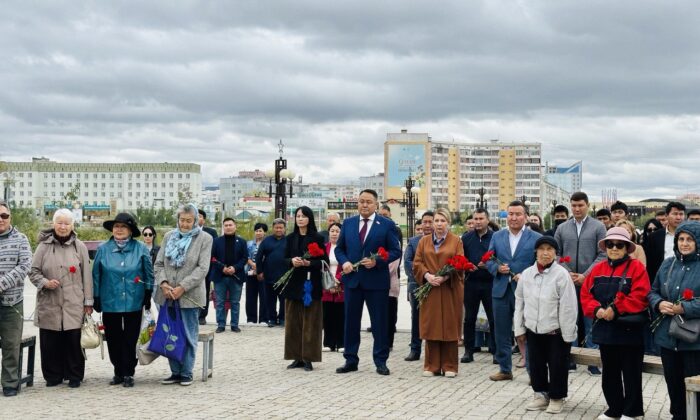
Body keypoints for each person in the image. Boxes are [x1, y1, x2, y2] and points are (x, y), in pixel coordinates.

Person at [580, 227, 650, 420]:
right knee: (609, 373)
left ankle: (632, 410)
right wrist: (597, 310)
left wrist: (616, 309)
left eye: (619, 245)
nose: (614, 248)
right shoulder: (598, 269)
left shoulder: (637, 268)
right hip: (606, 329)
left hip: (629, 331)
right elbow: (586, 295)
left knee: (631, 373)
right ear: (605, 247)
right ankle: (614, 408)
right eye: (610, 244)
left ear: (627, 247)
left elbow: (641, 296)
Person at [335, 189, 401, 376]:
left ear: (376, 204)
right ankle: (350, 359)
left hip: (377, 282)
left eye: (368, 202)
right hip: (353, 282)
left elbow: (396, 251)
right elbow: (339, 249)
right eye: (361, 201)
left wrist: (377, 261)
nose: (364, 205)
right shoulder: (348, 224)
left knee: (379, 323)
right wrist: (345, 262)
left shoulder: (386, 225)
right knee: (351, 322)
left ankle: (381, 361)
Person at [30, 209, 93, 388]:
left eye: (67, 223)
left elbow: (86, 276)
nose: (63, 227)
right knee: (50, 341)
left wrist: (88, 303)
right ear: (53, 224)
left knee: (73, 340)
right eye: (60, 223)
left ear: (72, 226)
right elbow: (33, 272)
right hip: (50, 301)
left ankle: (74, 375)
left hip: (73, 301)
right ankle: (53, 375)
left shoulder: (79, 246)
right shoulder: (43, 246)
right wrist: (45, 282)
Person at [514, 236, 577, 414]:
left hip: (556, 330)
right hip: (533, 328)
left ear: (556, 253)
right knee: (536, 364)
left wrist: (568, 334)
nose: (545, 253)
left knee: (557, 364)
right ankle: (540, 394)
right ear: (536, 252)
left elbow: (569, 306)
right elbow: (520, 302)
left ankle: (557, 397)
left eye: (550, 249)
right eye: (542, 249)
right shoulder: (527, 274)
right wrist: (519, 328)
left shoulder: (562, 275)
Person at [92, 212, 154, 388]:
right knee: (113, 337)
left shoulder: (140, 248)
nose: (119, 230)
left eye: (123, 227)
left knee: (130, 337)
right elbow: (96, 274)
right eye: (116, 226)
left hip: (134, 299)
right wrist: (96, 296)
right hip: (110, 300)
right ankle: (118, 370)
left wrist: (148, 293)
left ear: (130, 230)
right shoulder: (103, 249)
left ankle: (128, 372)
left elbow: (148, 273)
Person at [154, 203, 213, 386]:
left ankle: (186, 372)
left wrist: (182, 287)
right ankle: (175, 372)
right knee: (169, 333)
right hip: (166, 295)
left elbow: (202, 268)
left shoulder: (204, 238)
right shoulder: (169, 236)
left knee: (188, 334)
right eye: (182, 220)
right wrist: (163, 283)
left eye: (189, 221)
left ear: (195, 221)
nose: (185, 224)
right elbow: (159, 264)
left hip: (190, 295)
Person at [649, 221, 700, 420]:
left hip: (694, 342)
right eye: (681, 239)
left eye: (690, 239)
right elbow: (652, 291)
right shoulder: (667, 264)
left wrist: (685, 307)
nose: (684, 243)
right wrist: (659, 303)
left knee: (694, 388)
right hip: (668, 338)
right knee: (674, 386)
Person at [486, 200, 541, 381]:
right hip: (501, 290)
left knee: (529, 331)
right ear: (506, 216)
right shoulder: (497, 236)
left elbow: (540, 263)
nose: (514, 218)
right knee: (501, 331)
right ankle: (505, 369)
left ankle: (534, 373)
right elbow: (488, 259)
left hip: (526, 292)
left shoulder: (535, 238)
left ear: (525, 217)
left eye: (518, 214)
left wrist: (526, 276)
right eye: (511, 214)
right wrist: (496, 268)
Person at [554, 191, 607, 375]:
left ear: (587, 205)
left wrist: (586, 275)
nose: (577, 209)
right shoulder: (562, 228)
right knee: (570, 318)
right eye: (574, 205)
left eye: (580, 205)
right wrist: (568, 273)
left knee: (590, 319)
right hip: (568, 282)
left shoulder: (598, 227)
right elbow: (556, 253)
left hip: (591, 282)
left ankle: (593, 360)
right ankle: (571, 359)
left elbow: (603, 254)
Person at [413, 208, 465, 377]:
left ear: (448, 223)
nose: (439, 224)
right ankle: (431, 365)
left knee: (449, 325)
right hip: (430, 289)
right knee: (432, 325)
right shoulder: (424, 241)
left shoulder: (456, 241)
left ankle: (450, 366)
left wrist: (444, 277)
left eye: (443, 221)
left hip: (449, 288)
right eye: (436, 221)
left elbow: (459, 262)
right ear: (432, 223)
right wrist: (427, 276)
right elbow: (417, 263)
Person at [281, 206, 327, 372]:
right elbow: (283, 258)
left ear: (310, 218)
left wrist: (309, 263)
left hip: (310, 284)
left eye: (303, 216)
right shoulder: (290, 238)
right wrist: (291, 261)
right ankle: (296, 357)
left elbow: (324, 261)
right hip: (293, 284)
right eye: (297, 216)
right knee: (293, 323)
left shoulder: (317, 238)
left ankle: (309, 358)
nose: (300, 219)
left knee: (310, 323)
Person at [0, 201, 32, 397]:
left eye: (4, 215)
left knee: (11, 345)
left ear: (10, 218)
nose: (1, 219)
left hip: (11, 302)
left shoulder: (21, 239)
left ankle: (10, 383)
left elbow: (25, 266)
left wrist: (1, 284)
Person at [461, 208, 496, 363]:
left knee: (493, 318)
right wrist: (468, 265)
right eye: (475, 219)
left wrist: (489, 265)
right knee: (469, 319)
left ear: (487, 220)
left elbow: (500, 257)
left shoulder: (496, 237)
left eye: (481, 218)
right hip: (472, 283)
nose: (478, 221)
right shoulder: (466, 238)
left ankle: (496, 351)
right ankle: (468, 351)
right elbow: (461, 258)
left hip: (490, 283)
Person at [403, 211, 434, 362]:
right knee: (417, 319)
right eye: (425, 222)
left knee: (434, 319)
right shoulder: (413, 241)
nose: (427, 225)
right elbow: (408, 263)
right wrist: (425, 276)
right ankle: (415, 350)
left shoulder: (440, 241)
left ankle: (434, 350)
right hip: (417, 285)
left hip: (437, 285)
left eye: (430, 222)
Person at [210, 218, 248, 333]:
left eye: (230, 225)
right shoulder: (216, 241)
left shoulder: (242, 242)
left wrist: (234, 268)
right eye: (225, 225)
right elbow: (212, 258)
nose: (228, 227)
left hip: (236, 276)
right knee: (220, 302)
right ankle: (221, 324)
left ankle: (234, 325)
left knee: (235, 302)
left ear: (235, 226)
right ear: (223, 227)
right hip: (220, 276)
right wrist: (223, 268)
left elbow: (245, 258)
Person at [644, 201, 686, 291]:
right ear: (667, 216)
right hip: (660, 282)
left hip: (685, 280)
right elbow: (650, 264)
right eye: (675, 214)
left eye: (681, 214)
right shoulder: (654, 237)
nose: (678, 217)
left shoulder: (691, 236)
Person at [256, 218, 287, 327]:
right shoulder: (266, 241)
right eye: (276, 227)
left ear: (284, 229)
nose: (278, 230)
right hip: (269, 275)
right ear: (273, 228)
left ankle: (283, 318)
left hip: (285, 276)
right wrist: (259, 271)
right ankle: (272, 319)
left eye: (281, 228)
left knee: (284, 300)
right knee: (270, 299)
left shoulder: (289, 241)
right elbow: (259, 257)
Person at [322, 222, 344, 352]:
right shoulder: (324, 248)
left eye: (337, 231)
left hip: (342, 286)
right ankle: (328, 343)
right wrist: (330, 282)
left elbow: (349, 266)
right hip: (327, 285)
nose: (334, 233)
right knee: (327, 315)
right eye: (332, 231)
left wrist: (338, 281)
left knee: (341, 315)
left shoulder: (345, 248)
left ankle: (341, 343)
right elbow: (322, 267)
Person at [197, 209, 218, 325]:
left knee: (204, 291)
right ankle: (193, 313)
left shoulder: (211, 232)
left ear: (204, 220)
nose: (197, 218)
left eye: (199, 216)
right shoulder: (187, 232)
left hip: (206, 267)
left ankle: (202, 315)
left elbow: (215, 250)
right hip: (191, 268)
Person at [245, 223, 267, 324]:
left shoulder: (267, 243)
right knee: (250, 297)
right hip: (250, 273)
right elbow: (246, 257)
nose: (258, 233)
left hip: (263, 274)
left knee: (264, 296)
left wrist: (260, 267)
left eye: (260, 231)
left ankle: (263, 319)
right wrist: (254, 265)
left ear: (265, 232)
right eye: (257, 231)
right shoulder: (249, 244)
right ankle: (251, 319)